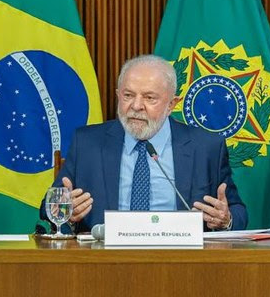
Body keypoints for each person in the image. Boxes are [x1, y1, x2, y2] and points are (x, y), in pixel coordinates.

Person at [42, 54, 247, 233]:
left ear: (171, 104)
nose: (137, 106)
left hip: (180, 263)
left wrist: (225, 220)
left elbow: (238, 213)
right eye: (128, 95)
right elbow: (48, 208)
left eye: (149, 98)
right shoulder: (87, 143)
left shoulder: (206, 147)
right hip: (104, 261)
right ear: (118, 96)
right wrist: (65, 210)